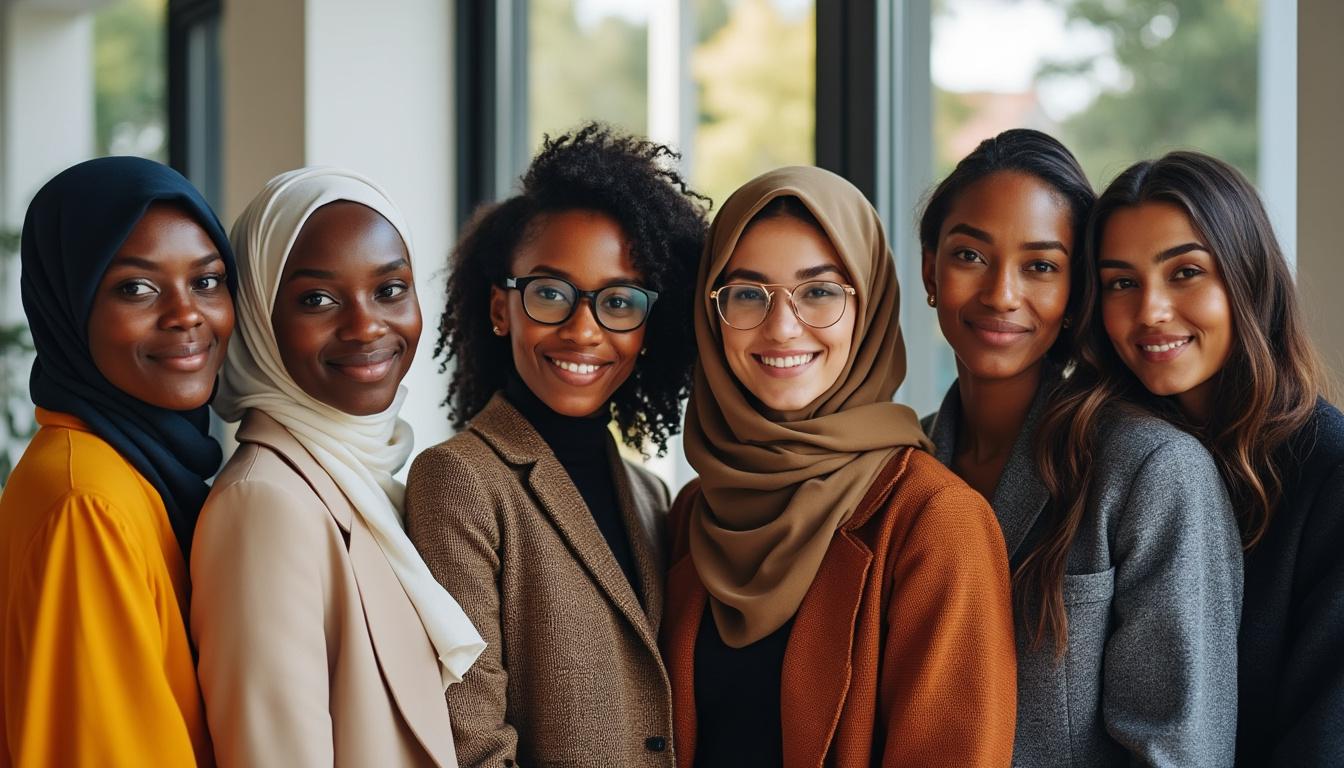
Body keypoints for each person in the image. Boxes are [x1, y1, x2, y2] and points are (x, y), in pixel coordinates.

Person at [663, 165, 1016, 767]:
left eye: (819, 292)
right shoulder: (697, 510)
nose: (781, 327)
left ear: (870, 306)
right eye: (747, 293)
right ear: (710, 312)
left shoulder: (936, 523)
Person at [920, 131, 1243, 766]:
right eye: (969, 256)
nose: (1002, 294)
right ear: (930, 270)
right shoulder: (902, 464)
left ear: (1076, 295)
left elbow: (1178, 749)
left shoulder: (1151, 469)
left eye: (1040, 266)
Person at [405, 124, 708, 767]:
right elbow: (471, 742)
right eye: (550, 293)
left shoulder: (651, 497)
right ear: (499, 308)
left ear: (646, 328)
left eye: (618, 301)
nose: (582, 330)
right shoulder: (459, 481)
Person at [190, 167, 483, 767]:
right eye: (317, 299)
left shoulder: (366, 484)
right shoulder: (265, 505)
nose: (366, 325)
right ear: (257, 319)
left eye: (390, 289)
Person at [1090, 150, 1344, 765]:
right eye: (1121, 283)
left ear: (1247, 275)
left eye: (1185, 273)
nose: (1149, 310)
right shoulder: (1106, 458)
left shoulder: (1328, 473)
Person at [0, 157, 235, 766]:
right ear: (69, 313)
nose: (186, 315)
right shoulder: (87, 506)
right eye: (136, 288)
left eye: (206, 281)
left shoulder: (129, 473)